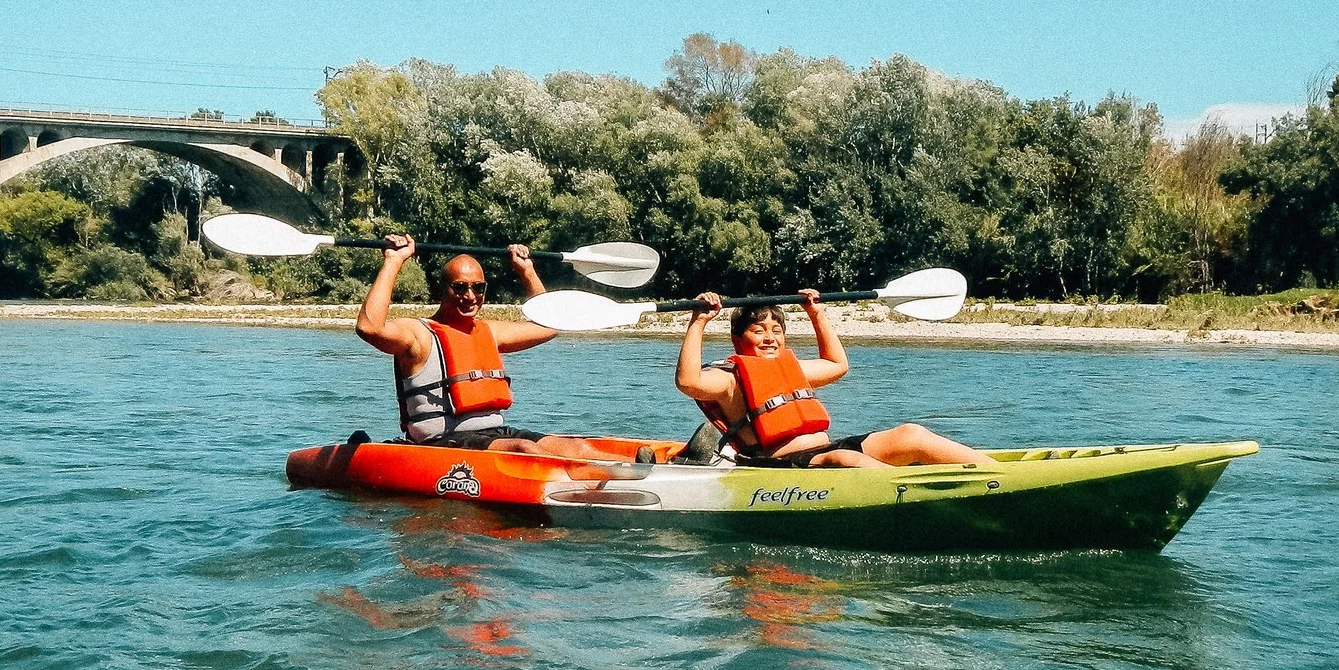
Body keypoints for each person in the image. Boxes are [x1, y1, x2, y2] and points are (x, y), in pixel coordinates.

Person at [355, 236, 616, 459]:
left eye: (478, 288)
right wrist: (393, 261)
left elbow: (549, 325)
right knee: (524, 449)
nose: (470, 296)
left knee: (574, 448)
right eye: (460, 287)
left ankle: (635, 472)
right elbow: (370, 327)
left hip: (494, 435)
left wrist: (527, 271)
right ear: (442, 289)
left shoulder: (488, 331)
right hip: (443, 442)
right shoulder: (418, 334)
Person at [674, 289, 990, 469]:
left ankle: (1000, 474)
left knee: (911, 433)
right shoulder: (729, 380)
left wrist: (817, 314)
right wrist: (698, 322)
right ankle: (920, 498)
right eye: (758, 331)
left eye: (776, 331)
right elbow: (688, 381)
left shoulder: (791, 369)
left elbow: (837, 364)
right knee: (842, 457)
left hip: (825, 450)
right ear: (737, 339)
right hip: (781, 466)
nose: (770, 338)